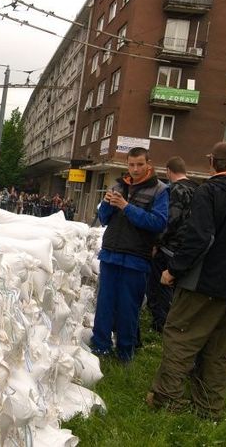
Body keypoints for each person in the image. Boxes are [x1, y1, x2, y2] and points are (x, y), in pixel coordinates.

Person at [148, 141, 226, 419]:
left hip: (203, 284)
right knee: (219, 350)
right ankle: (210, 408)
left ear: (213, 162)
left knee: (180, 339)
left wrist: (173, 270)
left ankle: (169, 400)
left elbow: (199, 238)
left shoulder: (210, 192)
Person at [91, 147, 169, 362]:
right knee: (104, 304)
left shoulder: (160, 190)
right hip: (110, 254)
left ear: (149, 164)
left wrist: (126, 207)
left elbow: (158, 223)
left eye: (140, 164)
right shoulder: (118, 186)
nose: (135, 169)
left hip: (136, 258)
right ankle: (100, 348)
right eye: (131, 164)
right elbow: (104, 219)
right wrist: (106, 204)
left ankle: (125, 354)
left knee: (128, 308)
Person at [146, 156, 198, 332]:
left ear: (168, 171)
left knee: (161, 287)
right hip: (188, 250)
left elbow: (170, 220)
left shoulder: (174, 190)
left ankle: (161, 324)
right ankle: (178, 322)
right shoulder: (198, 190)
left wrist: (156, 243)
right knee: (179, 291)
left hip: (169, 248)